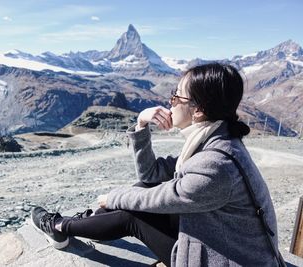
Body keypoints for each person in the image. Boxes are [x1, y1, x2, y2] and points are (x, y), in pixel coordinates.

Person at [30, 63, 280, 266]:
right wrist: (141, 124)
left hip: (230, 260)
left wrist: (112, 197)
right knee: (139, 189)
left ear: (199, 110)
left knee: (131, 215)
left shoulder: (214, 166)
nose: (170, 101)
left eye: (176, 96)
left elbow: (151, 199)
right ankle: (95, 223)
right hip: (226, 241)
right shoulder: (216, 139)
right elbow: (151, 175)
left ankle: (59, 226)